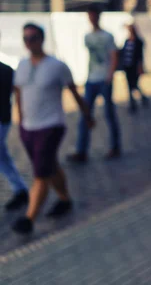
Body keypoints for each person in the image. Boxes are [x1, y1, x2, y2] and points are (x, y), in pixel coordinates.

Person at [12, 23, 94, 234]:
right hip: (28, 128)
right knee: (49, 165)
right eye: (26, 38)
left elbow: (74, 93)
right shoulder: (21, 65)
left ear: (41, 39)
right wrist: (20, 121)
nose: (29, 42)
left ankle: (29, 218)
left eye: (32, 38)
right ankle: (65, 199)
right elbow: (19, 93)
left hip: (50, 126)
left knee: (40, 173)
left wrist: (87, 115)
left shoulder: (57, 66)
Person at [69, 6, 121, 163]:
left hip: (104, 79)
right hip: (91, 79)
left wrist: (110, 75)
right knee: (85, 114)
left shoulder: (107, 36)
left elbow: (113, 56)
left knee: (109, 113)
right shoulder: (87, 36)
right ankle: (81, 150)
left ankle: (115, 146)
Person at [0, 32, 29, 211]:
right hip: (4, 119)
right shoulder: (7, 70)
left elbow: (17, 95)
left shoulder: (5, 70)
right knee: (2, 157)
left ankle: (20, 190)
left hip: (1, 119)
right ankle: (20, 189)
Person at [120, 23, 149, 113]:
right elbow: (123, 52)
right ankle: (133, 104)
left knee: (134, 85)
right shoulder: (127, 41)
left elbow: (140, 55)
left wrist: (140, 67)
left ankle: (142, 98)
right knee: (130, 85)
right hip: (127, 66)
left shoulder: (138, 41)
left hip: (135, 67)